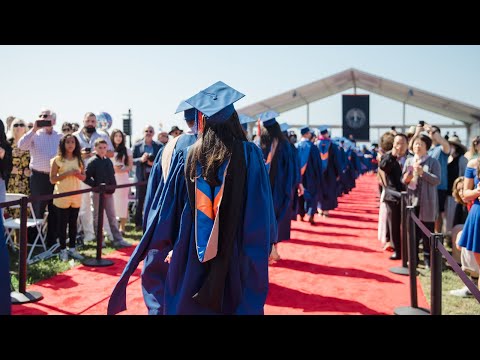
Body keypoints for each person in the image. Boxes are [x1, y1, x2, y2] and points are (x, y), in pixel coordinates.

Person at [108, 81, 276, 315]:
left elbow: (167, 214)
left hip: (190, 252)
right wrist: (268, 242)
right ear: (235, 120)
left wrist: (162, 251)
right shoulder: (251, 155)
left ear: (202, 121)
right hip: (237, 249)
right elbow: (260, 209)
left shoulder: (188, 156)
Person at [17, 109, 62, 248]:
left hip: (56, 178)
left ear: (53, 121)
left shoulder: (60, 136)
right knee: (37, 210)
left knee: (55, 210)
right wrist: (33, 129)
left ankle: (51, 242)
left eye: (46, 117)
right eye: (41, 116)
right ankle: (34, 242)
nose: (43, 118)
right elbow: (21, 146)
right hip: (38, 177)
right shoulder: (33, 135)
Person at [258, 111, 295, 261]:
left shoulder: (259, 144)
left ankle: (267, 250)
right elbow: (290, 170)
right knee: (277, 218)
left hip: (263, 189)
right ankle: (273, 248)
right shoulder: (285, 145)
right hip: (279, 189)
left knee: (264, 219)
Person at [73, 112, 114, 243]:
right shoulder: (75, 136)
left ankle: (108, 234)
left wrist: (98, 152)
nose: (90, 123)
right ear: (83, 121)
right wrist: (81, 155)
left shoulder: (103, 135)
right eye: (88, 121)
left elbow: (112, 152)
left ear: (96, 122)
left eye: (93, 121)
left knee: (103, 207)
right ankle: (89, 235)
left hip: (100, 176)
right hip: (83, 175)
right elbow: (68, 153)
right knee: (84, 206)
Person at [402, 133, 441, 268]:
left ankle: (427, 260)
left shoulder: (433, 161)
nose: (418, 146)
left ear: (427, 147)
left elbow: (437, 180)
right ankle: (413, 259)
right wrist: (409, 175)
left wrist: (423, 173)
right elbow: (404, 181)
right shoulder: (409, 161)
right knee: (412, 232)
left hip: (427, 202)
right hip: (411, 201)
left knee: (427, 232)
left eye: (421, 144)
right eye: (416, 143)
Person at [84, 138, 131, 248]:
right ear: (95, 148)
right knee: (98, 217)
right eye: (100, 148)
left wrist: (112, 188)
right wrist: (96, 186)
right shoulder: (92, 161)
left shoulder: (108, 161)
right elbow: (86, 177)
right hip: (97, 193)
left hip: (109, 193)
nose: (102, 150)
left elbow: (112, 177)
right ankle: (100, 240)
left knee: (112, 216)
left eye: (104, 148)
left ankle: (118, 239)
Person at [49, 134, 86, 261]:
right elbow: (52, 179)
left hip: (76, 195)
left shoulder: (79, 159)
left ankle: (73, 249)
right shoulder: (57, 160)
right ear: (63, 144)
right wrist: (66, 174)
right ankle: (63, 250)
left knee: (73, 224)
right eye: (68, 142)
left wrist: (78, 175)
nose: (70, 144)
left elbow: (84, 177)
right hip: (62, 196)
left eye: (73, 142)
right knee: (62, 224)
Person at [379, 133, 409, 260]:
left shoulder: (411, 158)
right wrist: (393, 154)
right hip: (393, 197)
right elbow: (383, 166)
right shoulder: (388, 157)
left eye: (402, 143)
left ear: (407, 145)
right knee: (394, 225)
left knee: (408, 226)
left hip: (409, 196)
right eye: (397, 143)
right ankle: (397, 250)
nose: (400, 146)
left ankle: (409, 252)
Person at [132, 125, 162, 231]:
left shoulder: (159, 146)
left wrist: (153, 162)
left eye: (150, 131)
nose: (148, 132)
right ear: (143, 132)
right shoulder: (136, 146)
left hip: (154, 178)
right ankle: (138, 224)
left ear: (153, 133)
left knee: (155, 200)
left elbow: (162, 160)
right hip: (141, 178)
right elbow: (130, 161)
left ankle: (152, 223)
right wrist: (141, 159)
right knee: (140, 202)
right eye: (146, 131)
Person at [296, 126, 323, 225]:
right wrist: (319, 176)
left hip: (299, 176)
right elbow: (318, 164)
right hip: (311, 176)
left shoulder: (296, 146)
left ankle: (300, 214)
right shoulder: (313, 147)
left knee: (300, 194)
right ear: (307, 134)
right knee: (312, 195)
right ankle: (311, 214)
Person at [6, 118, 31, 219]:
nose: (18, 127)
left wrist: (30, 170)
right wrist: (8, 169)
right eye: (15, 125)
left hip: (26, 182)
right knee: (11, 209)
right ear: (12, 127)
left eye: (21, 125)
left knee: (24, 211)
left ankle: (23, 235)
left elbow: (36, 159)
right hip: (11, 181)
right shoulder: (7, 143)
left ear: (25, 128)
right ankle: (12, 234)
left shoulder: (30, 143)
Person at [110, 129, 133, 235]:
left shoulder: (127, 150)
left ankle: (122, 227)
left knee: (123, 202)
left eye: (120, 136)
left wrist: (121, 170)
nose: (118, 138)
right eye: (116, 136)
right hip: (111, 178)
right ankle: (111, 227)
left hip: (123, 178)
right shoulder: (108, 149)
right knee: (111, 203)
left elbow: (130, 166)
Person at [316, 125, 341, 218]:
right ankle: (326, 211)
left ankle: (319, 208)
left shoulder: (316, 144)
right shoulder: (332, 145)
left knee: (320, 189)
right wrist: (338, 173)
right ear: (327, 133)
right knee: (329, 190)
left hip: (319, 172)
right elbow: (336, 160)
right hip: (330, 172)